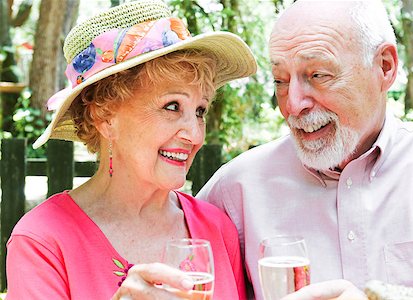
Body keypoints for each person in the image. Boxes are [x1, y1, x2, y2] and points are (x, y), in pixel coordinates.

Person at [197, 0, 413, 299]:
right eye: (280, 80)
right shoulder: (235, 190)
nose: (292, 105)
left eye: (318, 75)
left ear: (385, 67)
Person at [5, 0, 256, 299]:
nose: (195, 134)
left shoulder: (217, 228)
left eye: (200, 111)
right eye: (172, 106)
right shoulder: (43, 241)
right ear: (105, 117)